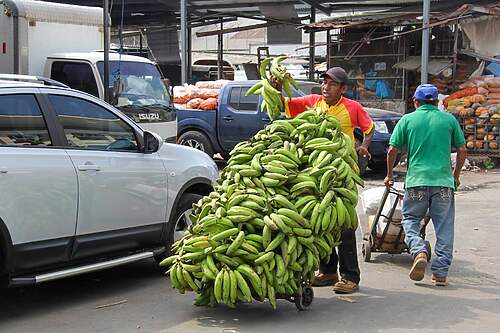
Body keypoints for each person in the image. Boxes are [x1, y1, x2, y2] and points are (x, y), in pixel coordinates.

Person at [279, 67, 374, 294]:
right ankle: (328, 271)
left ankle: (351, 276)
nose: (326, 87)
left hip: (343, 174)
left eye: (332, 84)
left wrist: (363, 147)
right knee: (321, 220)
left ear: (342, 88)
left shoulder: (352, 107)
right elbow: (283, 104)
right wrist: (276, 86)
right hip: (316, 172)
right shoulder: (312, 102)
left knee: (344, 224)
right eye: (324, 83)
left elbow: (369, 129)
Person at [384, 84, 467, 286]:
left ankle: (419, 250)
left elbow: (392, 151)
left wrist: (389, 175)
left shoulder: (407, 119)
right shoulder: (448, 119)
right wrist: (455, 176)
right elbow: (462, 150)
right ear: (437, 102)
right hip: (443, 184)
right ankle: (440, 273)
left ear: (415, 102)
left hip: (416, 183)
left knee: (411, 220)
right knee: (444, 227)